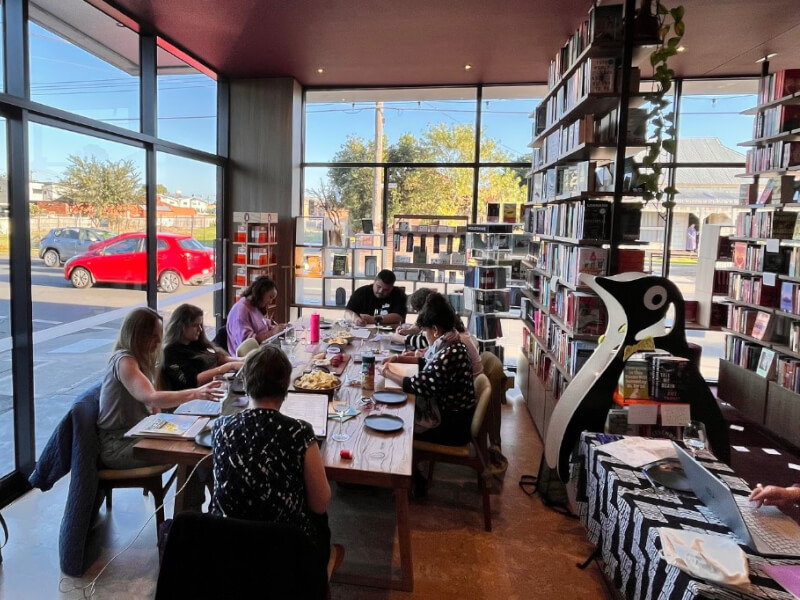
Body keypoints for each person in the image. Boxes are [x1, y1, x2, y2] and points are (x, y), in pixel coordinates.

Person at [211, 345, 335, 566]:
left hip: (228, 550)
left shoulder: (221, 428)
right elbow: (320, 504)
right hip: (286, 556)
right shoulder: (299, 431)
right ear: (287, 384)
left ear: (246, 383)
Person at [97, 307, 221, 471]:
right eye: (153, 336)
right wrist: (196, 393)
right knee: (196, 448)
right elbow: (150, 397)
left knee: (200, 435)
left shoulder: (139, 359)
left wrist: (166, 424)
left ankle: (196, 495)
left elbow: (154, 406)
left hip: (138, 432)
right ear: (137, 335)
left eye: (159, 336)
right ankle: (194, 496)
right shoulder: (124, 361)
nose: (158, 342)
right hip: (119, 444)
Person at [378, 292, 476, 446]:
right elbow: (426, 361)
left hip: (450, 427)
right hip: (447, 415)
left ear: (435, 330)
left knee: (398, 424)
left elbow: (417, 385)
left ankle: (412, 469)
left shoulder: (451, 352)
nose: (424, 334)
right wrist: (397, 358)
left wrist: (387, 373)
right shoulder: (449, 340)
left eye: (424, 331)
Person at [391, 287, 482, 375]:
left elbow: (430, 375)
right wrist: (422, 354)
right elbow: (431, 356)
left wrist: (388, 373)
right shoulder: (450, 328)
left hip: (468, 382)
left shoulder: (452, 342)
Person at [162, 304, 243, 390]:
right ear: (181, 327)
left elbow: (217, 358)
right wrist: (228, 367)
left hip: (211, 388)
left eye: (200, 325)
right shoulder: (171, 353)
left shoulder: (194, 343)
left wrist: (242, 360)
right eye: (195, 325)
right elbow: (194, 381)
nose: (200, 329)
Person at [226, 276, 286, 355]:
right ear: (261, 292)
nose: (270, 302)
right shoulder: (241, 311)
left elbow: (262, 326)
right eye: (270, 297)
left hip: (261, 351)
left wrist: (279, 328)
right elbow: (247, 343)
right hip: (249, 358)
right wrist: (272, 332)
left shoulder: (254, 306)